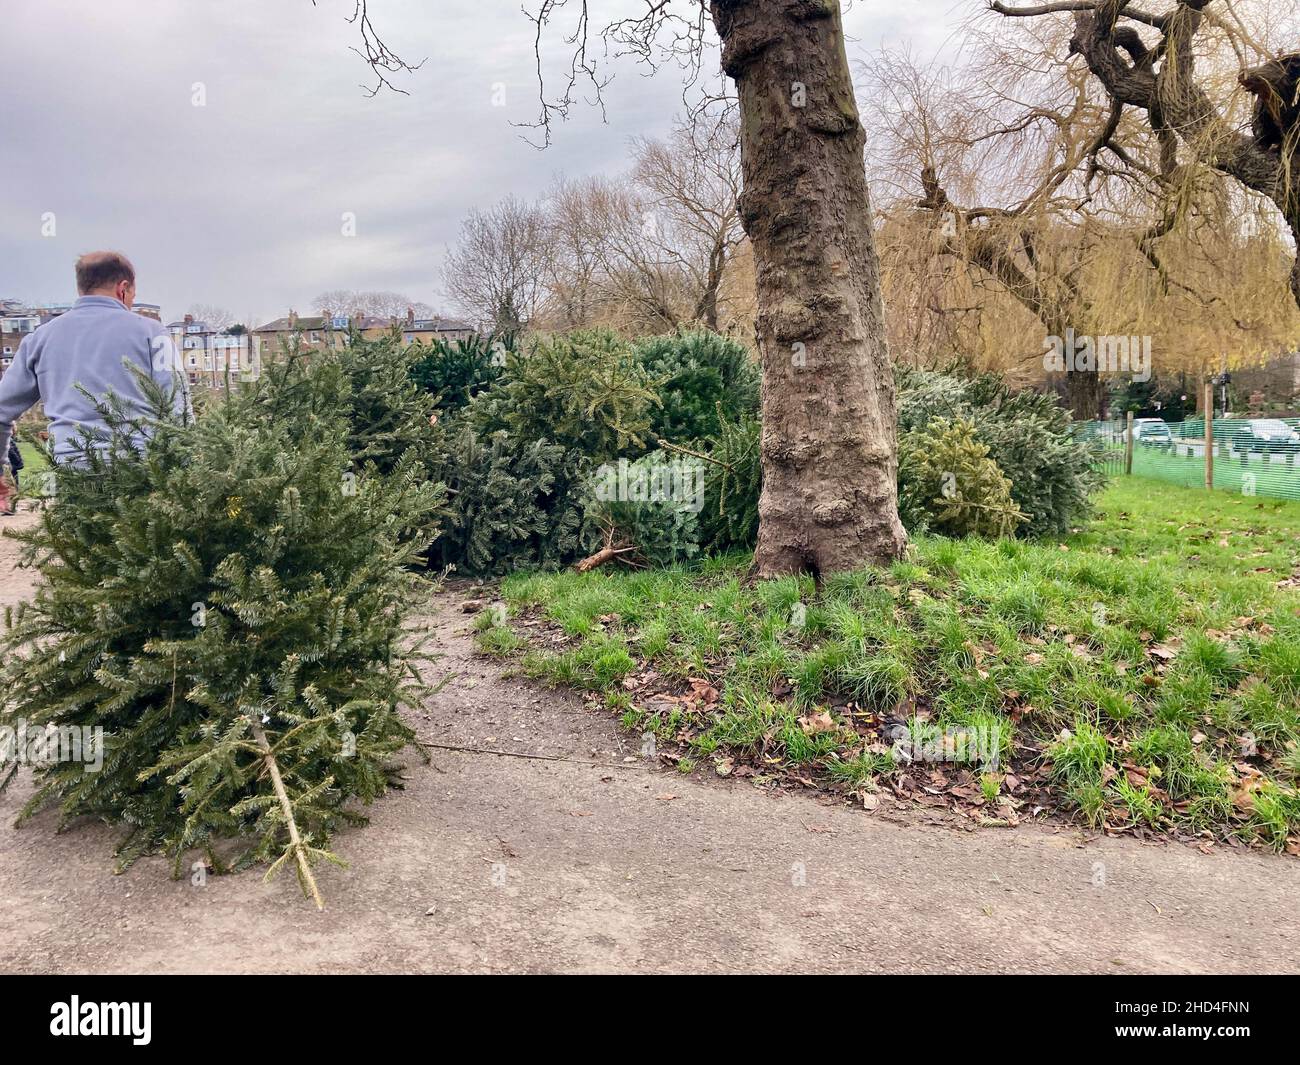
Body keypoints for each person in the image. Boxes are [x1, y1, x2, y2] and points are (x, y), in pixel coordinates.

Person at [0, 252, 190, 514]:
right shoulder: (152, 333)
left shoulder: (39, 339)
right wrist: (188, 474)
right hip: (140, 468)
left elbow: (1, 410)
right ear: (123, 288)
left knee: (83, 551)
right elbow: (177, 409)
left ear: (82, 287)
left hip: (72, 468)